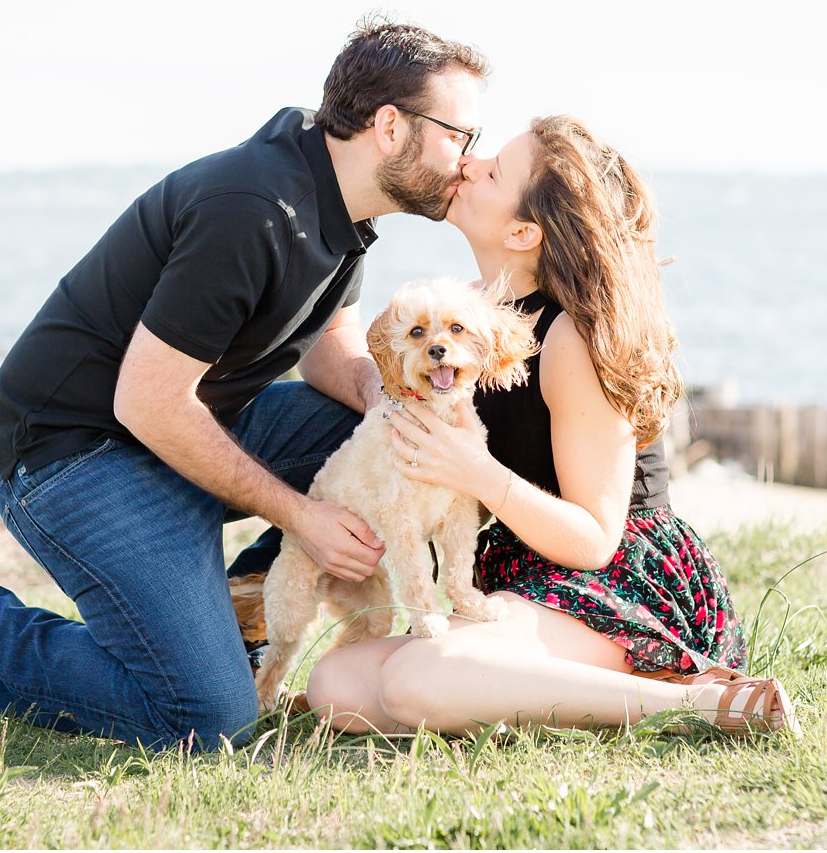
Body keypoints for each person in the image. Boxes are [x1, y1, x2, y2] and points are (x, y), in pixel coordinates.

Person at [0, 18, 489, 750]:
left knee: (403, 441)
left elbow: (329, 345)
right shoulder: (253, 210)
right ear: (390, 125)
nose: (470, 161)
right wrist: (301, 517)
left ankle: (240, 600)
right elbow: (147, 400)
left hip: (173, 428)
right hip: (73, 455)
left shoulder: (338, 203)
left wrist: (384, 402)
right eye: (461, 136)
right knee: (209, 719)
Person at [302, 115, 800, 736]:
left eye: (495, 170)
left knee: (414, 680)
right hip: (520, 568)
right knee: (336, 684)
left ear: (522, 231)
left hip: (617, 584)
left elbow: (595, 538)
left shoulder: (571, 335)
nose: (469, 164)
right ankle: (540, 690)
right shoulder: (465, 314)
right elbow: (340, 352)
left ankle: (698, 702)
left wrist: (474, 473)